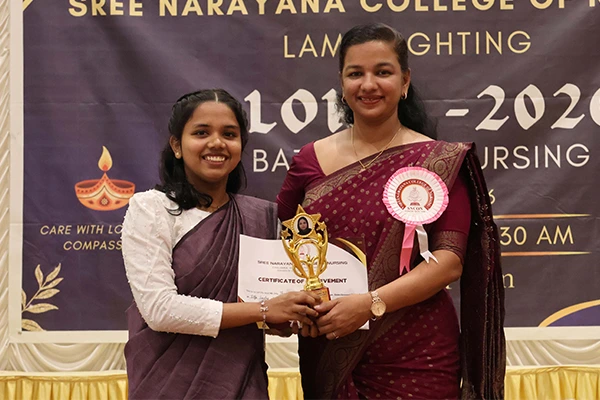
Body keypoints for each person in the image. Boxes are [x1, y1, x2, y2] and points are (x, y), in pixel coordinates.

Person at [277, 24, 505, 399]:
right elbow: (285, 246)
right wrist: (296, 306)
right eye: (356, 73)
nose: (368, 85)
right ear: (342, 84)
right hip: (331, 344)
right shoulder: (309, 160)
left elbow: (449, 261)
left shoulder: (438, 161)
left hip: (417, 350)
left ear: (404, 82)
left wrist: (370, 305)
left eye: (383, 72)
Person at [122, 89, 321, 399]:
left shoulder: (262, 216)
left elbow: (265, 311)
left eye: (229, 134)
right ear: (177, 145)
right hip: (167, 385)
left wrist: (287, 319)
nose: (217, 143)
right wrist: (265, 310)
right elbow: (160, 309)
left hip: (242, 384)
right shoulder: (150, 209)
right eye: (201, 132)